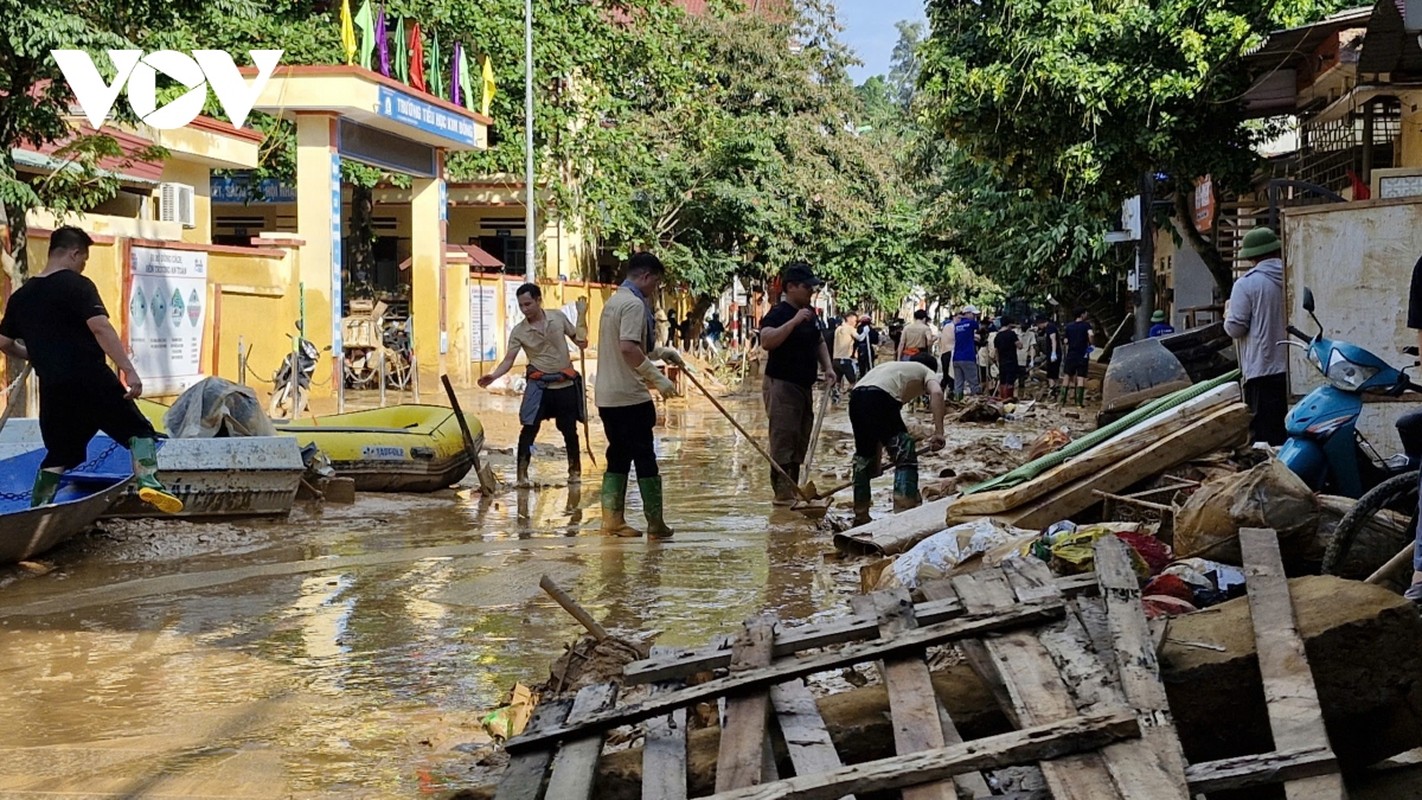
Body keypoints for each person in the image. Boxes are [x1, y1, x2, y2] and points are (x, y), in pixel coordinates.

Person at [0, 226, 182, 512]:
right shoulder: (77, 285)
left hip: (53, 386)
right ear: (74, 253)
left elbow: (5, 343)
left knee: (59, 453)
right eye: (83, 259)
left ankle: (36, 511)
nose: (83, 266)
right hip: (90, 378)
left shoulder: (22, 296)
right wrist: (128, 370)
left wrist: (35, 352)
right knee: (140, 432)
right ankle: (149, 484)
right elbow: (100, 327)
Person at [594, 252, 682, 537]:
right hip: (630, 396)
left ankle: (612, 521)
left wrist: (661, 353)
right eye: (655, 283)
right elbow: (628, 348)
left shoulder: (614, 301)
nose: (654, 290)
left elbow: (633, 345)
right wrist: (658, 379)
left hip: (607, 396)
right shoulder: (633, 304)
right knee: (645, 457)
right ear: (645, 277)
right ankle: (655, 524)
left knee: (618, 454)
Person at [478, 283, 587, 487]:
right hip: (539, 387)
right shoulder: (519, 331)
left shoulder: (558, 317)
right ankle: (522, 476)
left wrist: (582, 316)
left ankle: (575, 472)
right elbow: (509, 360)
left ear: (538, 300)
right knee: (528, 429)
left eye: (528, 304)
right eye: (521, 306)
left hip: (564, 386)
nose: (525, 309)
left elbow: (581, 342)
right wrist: (493, 376)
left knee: (569, 430)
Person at [759, 262, 836, 504]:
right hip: (782, 384)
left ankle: (792, 490)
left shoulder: (811, 314)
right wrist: (793, 323)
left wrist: (828, 367)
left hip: (804, 385)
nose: (811, 292)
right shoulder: (778, 313)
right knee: (784, 437)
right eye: (807, 287)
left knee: (801, 436)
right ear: (791, 287)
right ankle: (782, 494)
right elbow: (766, 341)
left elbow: (819, 342)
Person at [848, 361, 946, 524]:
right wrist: (939, 433)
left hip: (856, 398)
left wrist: (877, 464)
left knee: (863, 460)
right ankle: (904, 512)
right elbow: (937, 393)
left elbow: (878, 433)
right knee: (905, 452)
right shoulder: (926, 370)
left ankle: (861, 515)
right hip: (881, 397)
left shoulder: (894, 369)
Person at [1225, 227, 1288, 446]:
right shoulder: (1293, 277)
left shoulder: (1247, 284)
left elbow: (1235, 328)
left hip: (1261, 371)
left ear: (1251, 256)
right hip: (1292, 372)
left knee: (1264, 439)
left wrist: (1227, 315)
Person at [1061, 308, 1094, 407]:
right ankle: (1079, 403)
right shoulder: (1086, 325)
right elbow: (1091, 335)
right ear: (1082, 315)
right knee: (1080, 377)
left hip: (1071, 354)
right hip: (1083, 354)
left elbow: (1065, 341)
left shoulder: (1069, 327)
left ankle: (1062, 401)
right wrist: (1091, 345)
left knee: (1066, 376)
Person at [951, 305, 981, 399]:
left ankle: (957, 403)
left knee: (958, 384)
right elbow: (979, 328)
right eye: (973, 315)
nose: (975, 317)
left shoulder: (957, 325)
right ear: (967, 313)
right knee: (973, 383)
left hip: (956, 358)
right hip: (968, 357)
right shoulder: (971, 323)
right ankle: (976, 403)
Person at [832, 310, 865, 395]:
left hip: (835, 360)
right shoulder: (850, 329)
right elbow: (860, 338)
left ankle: (835, 401)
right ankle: (849, 399)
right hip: (845, 360)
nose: (855, 323)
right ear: (849, 319)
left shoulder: (838, 329)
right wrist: (866, 331)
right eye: (855, 321)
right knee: (853, 383)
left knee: (837, 382)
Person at [993, 317, 1024, 400]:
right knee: (1010, 382)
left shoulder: (997, 336)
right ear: (1009, 324)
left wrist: (998, 361)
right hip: (1011, 361)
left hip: (1002, 362)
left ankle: (1002, 398)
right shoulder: (1011, 334)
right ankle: (1008, 399)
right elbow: (1020, 346)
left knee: (1002, 381)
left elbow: (996, 351)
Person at [1035, 315, 1061, 397]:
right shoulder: (1048, 328)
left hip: (1053, 354)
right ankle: (1055, 390)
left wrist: (1053, 352)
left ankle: (1052, 390)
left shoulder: (1050, 328)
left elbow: (1053, 340)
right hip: (1053, 354)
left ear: (1040, 323)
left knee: (1051, 374)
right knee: (1054, 373)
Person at [937, 315, 956, 395]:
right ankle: (949, 394)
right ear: (954, 318)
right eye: (959, 318)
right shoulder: (953, 327)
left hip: (945, 353)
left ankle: (940, 393)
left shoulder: (946, 327)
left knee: (946, 376)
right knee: (951, 377)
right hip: (950, 352)